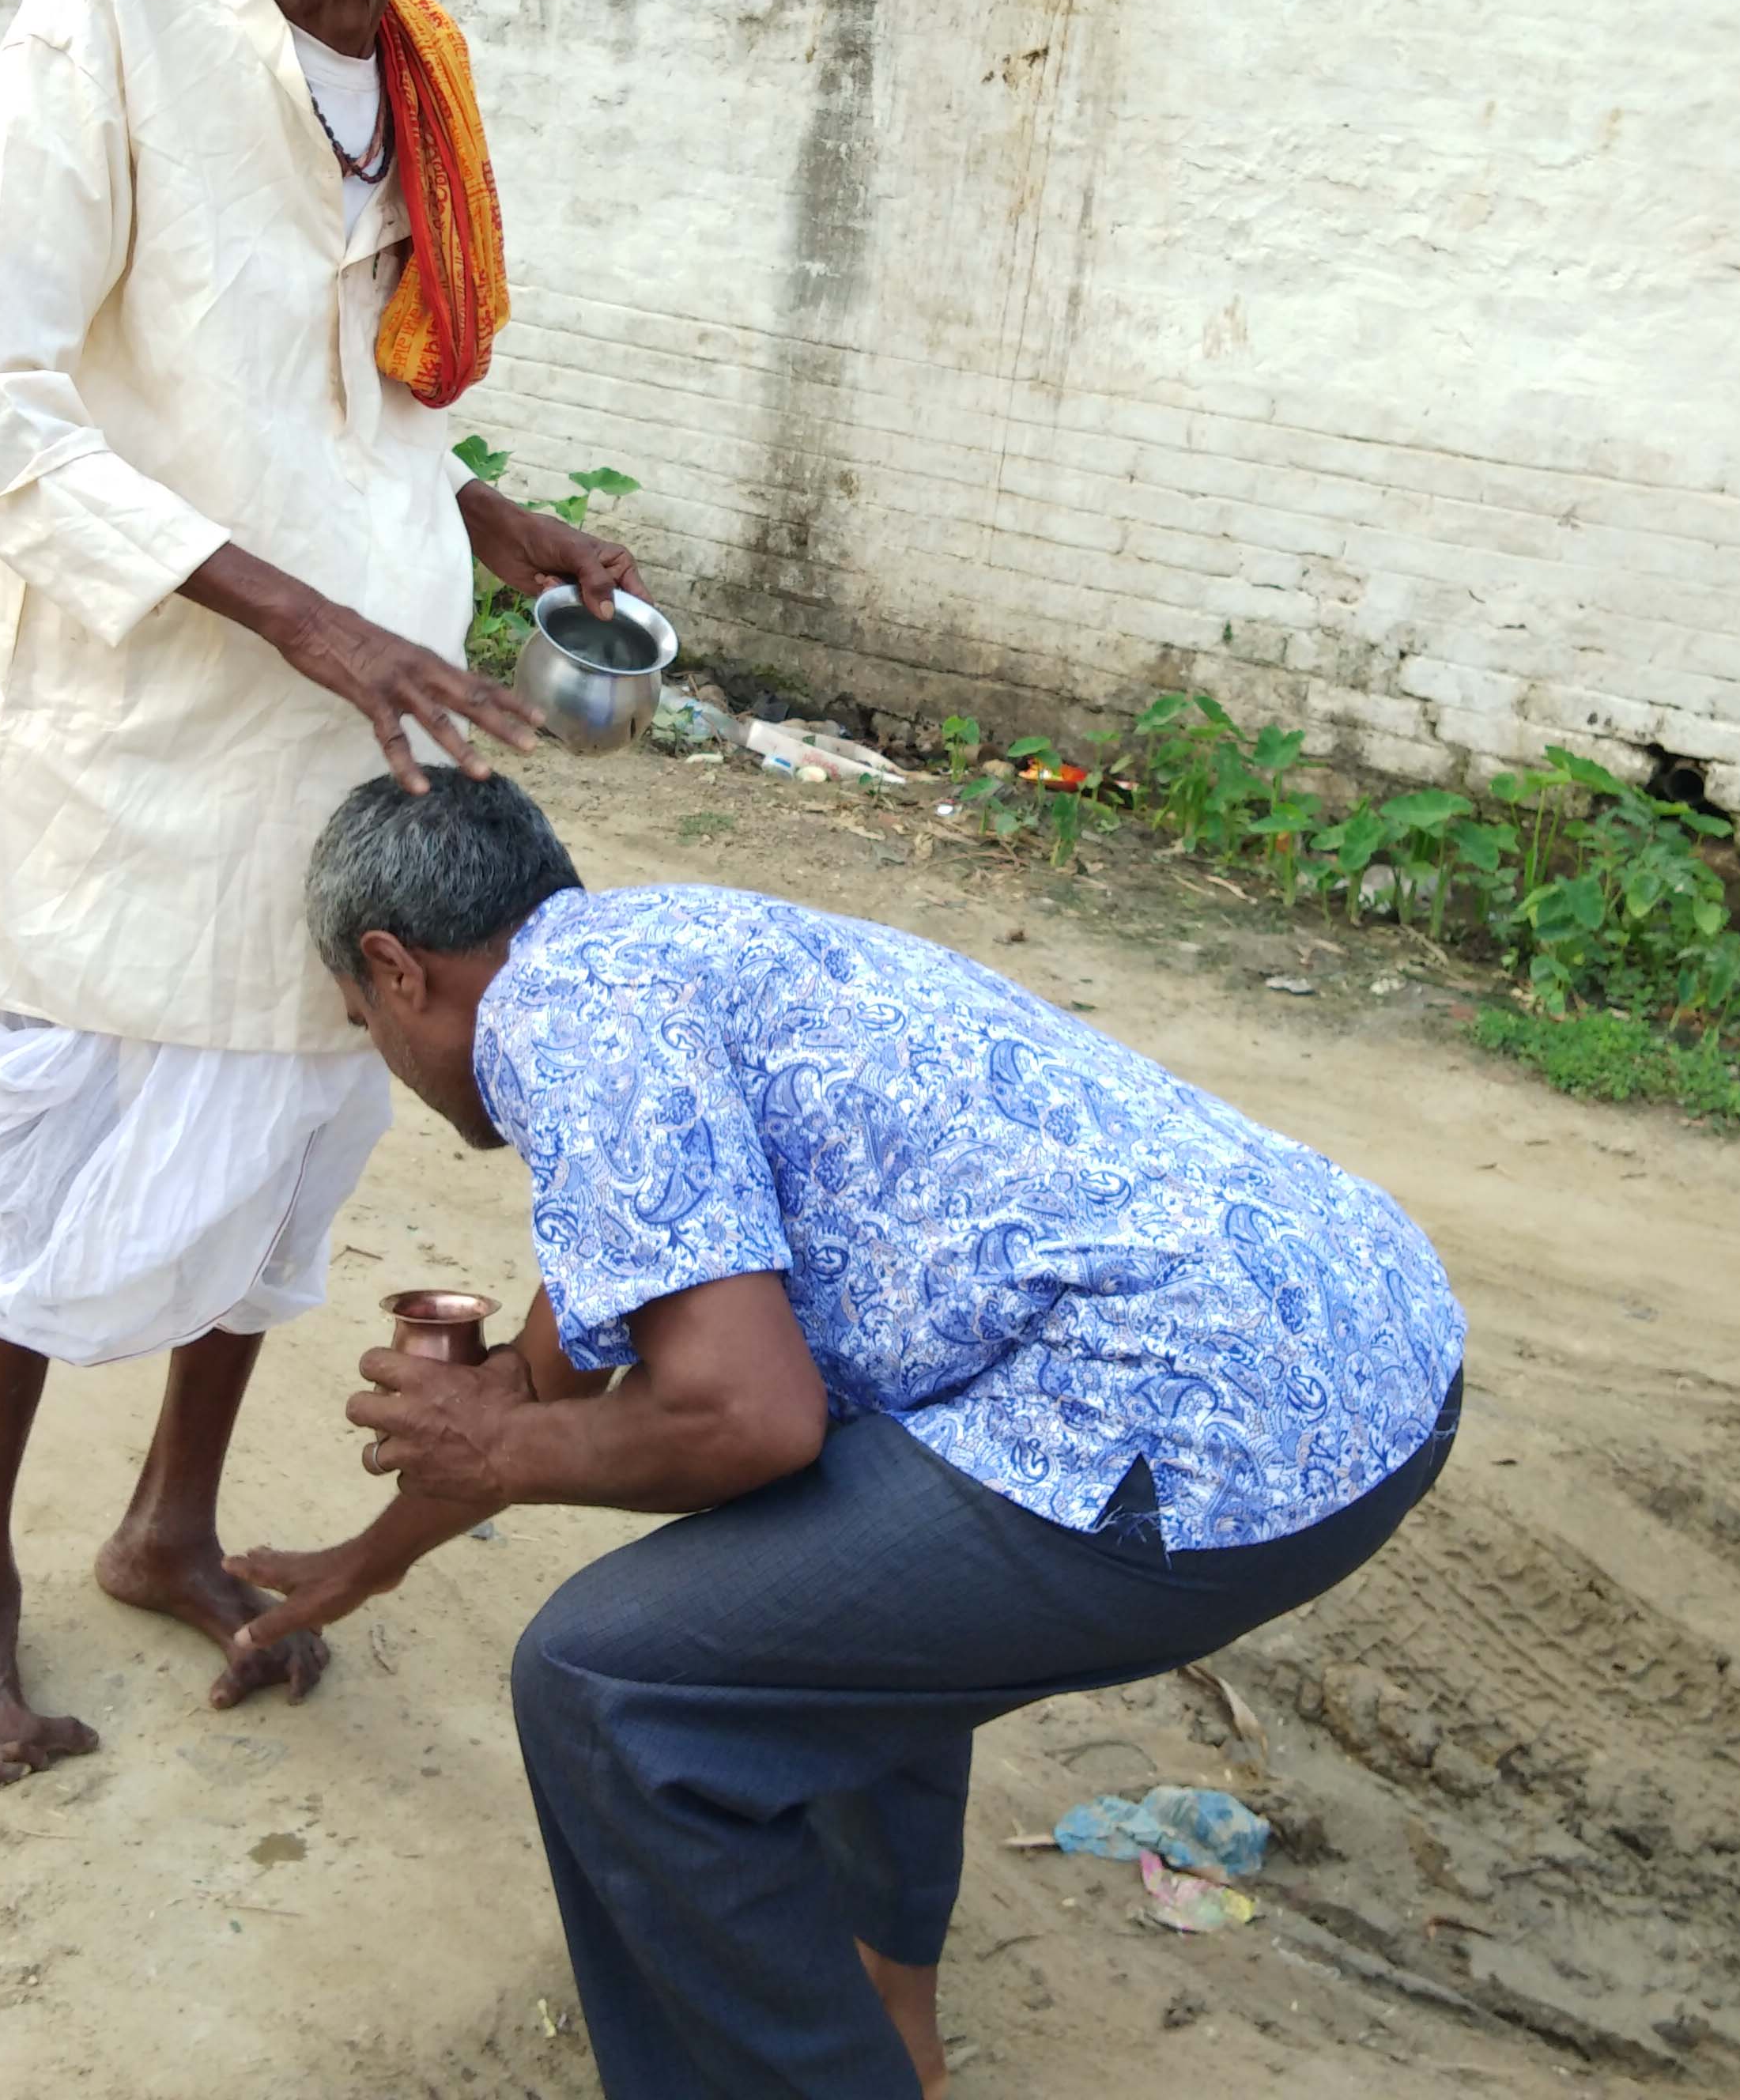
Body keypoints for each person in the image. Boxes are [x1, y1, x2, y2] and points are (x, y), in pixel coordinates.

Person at [0, 0, 642, 1792]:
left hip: (354, 742)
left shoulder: (423, 77)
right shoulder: (105, 33)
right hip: (129, 747)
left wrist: (490, 521)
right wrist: (310, 619)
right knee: (48, 1192)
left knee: (288, 1150)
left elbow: (353, 401)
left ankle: (171, 1523)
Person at [226, 771, 1467, 2100]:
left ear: (393, 968)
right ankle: (895, 2025)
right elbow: (561, 1360)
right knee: (830, 1577)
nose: (385, 1057)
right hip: (1377, 1331)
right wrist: (378, 1554)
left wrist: (501, 1459)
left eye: (364, 1024)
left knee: (608, 1689)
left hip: (1208, 1431)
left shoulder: (557, 1030)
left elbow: (741, 1419)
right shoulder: (652, 948)